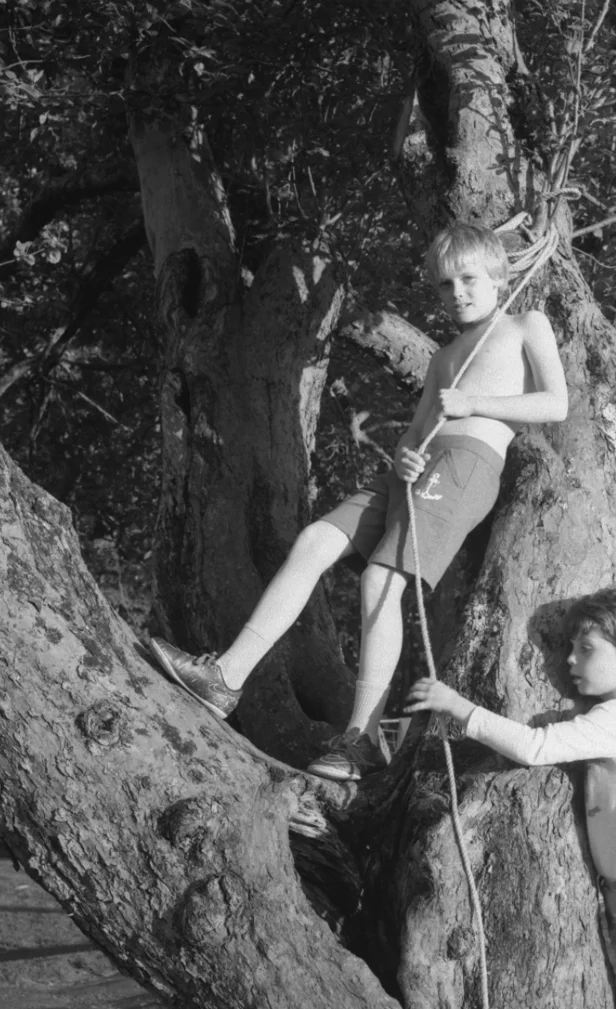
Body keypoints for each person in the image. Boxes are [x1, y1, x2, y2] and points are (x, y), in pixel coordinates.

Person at [149, 222, 568, 781]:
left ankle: (362, 739)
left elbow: (556, 404)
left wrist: (475, 403)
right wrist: (405, 455)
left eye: (469, 279)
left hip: (467, 464)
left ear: (498, 276)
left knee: (380, 580)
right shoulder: (444, 356)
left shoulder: (524, 324)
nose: (458, 293)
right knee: (315, 540)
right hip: (416, 471)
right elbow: (414, 433)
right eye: (445, 284)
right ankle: (226, 677)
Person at [404, 588, 616, 1009]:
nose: (570, 660)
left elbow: (535, 747)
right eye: (570, 648)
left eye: (586, 649)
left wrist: (458, 707)